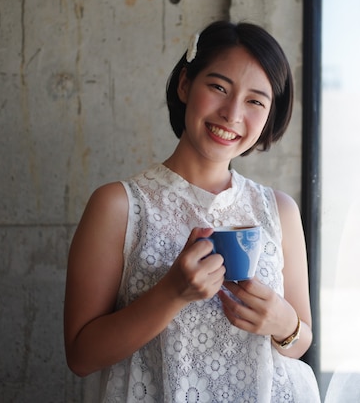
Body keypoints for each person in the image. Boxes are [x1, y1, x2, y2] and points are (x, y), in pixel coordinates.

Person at [64, 20, 320, 402]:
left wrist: (283, 323)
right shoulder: (119, 205)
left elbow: (298, 341)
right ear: (185, 84)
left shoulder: (279, 210)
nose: (232, 113)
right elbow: (81, 356)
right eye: (218, 87)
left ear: (269, 114)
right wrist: (172, 293)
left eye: (255, 101)